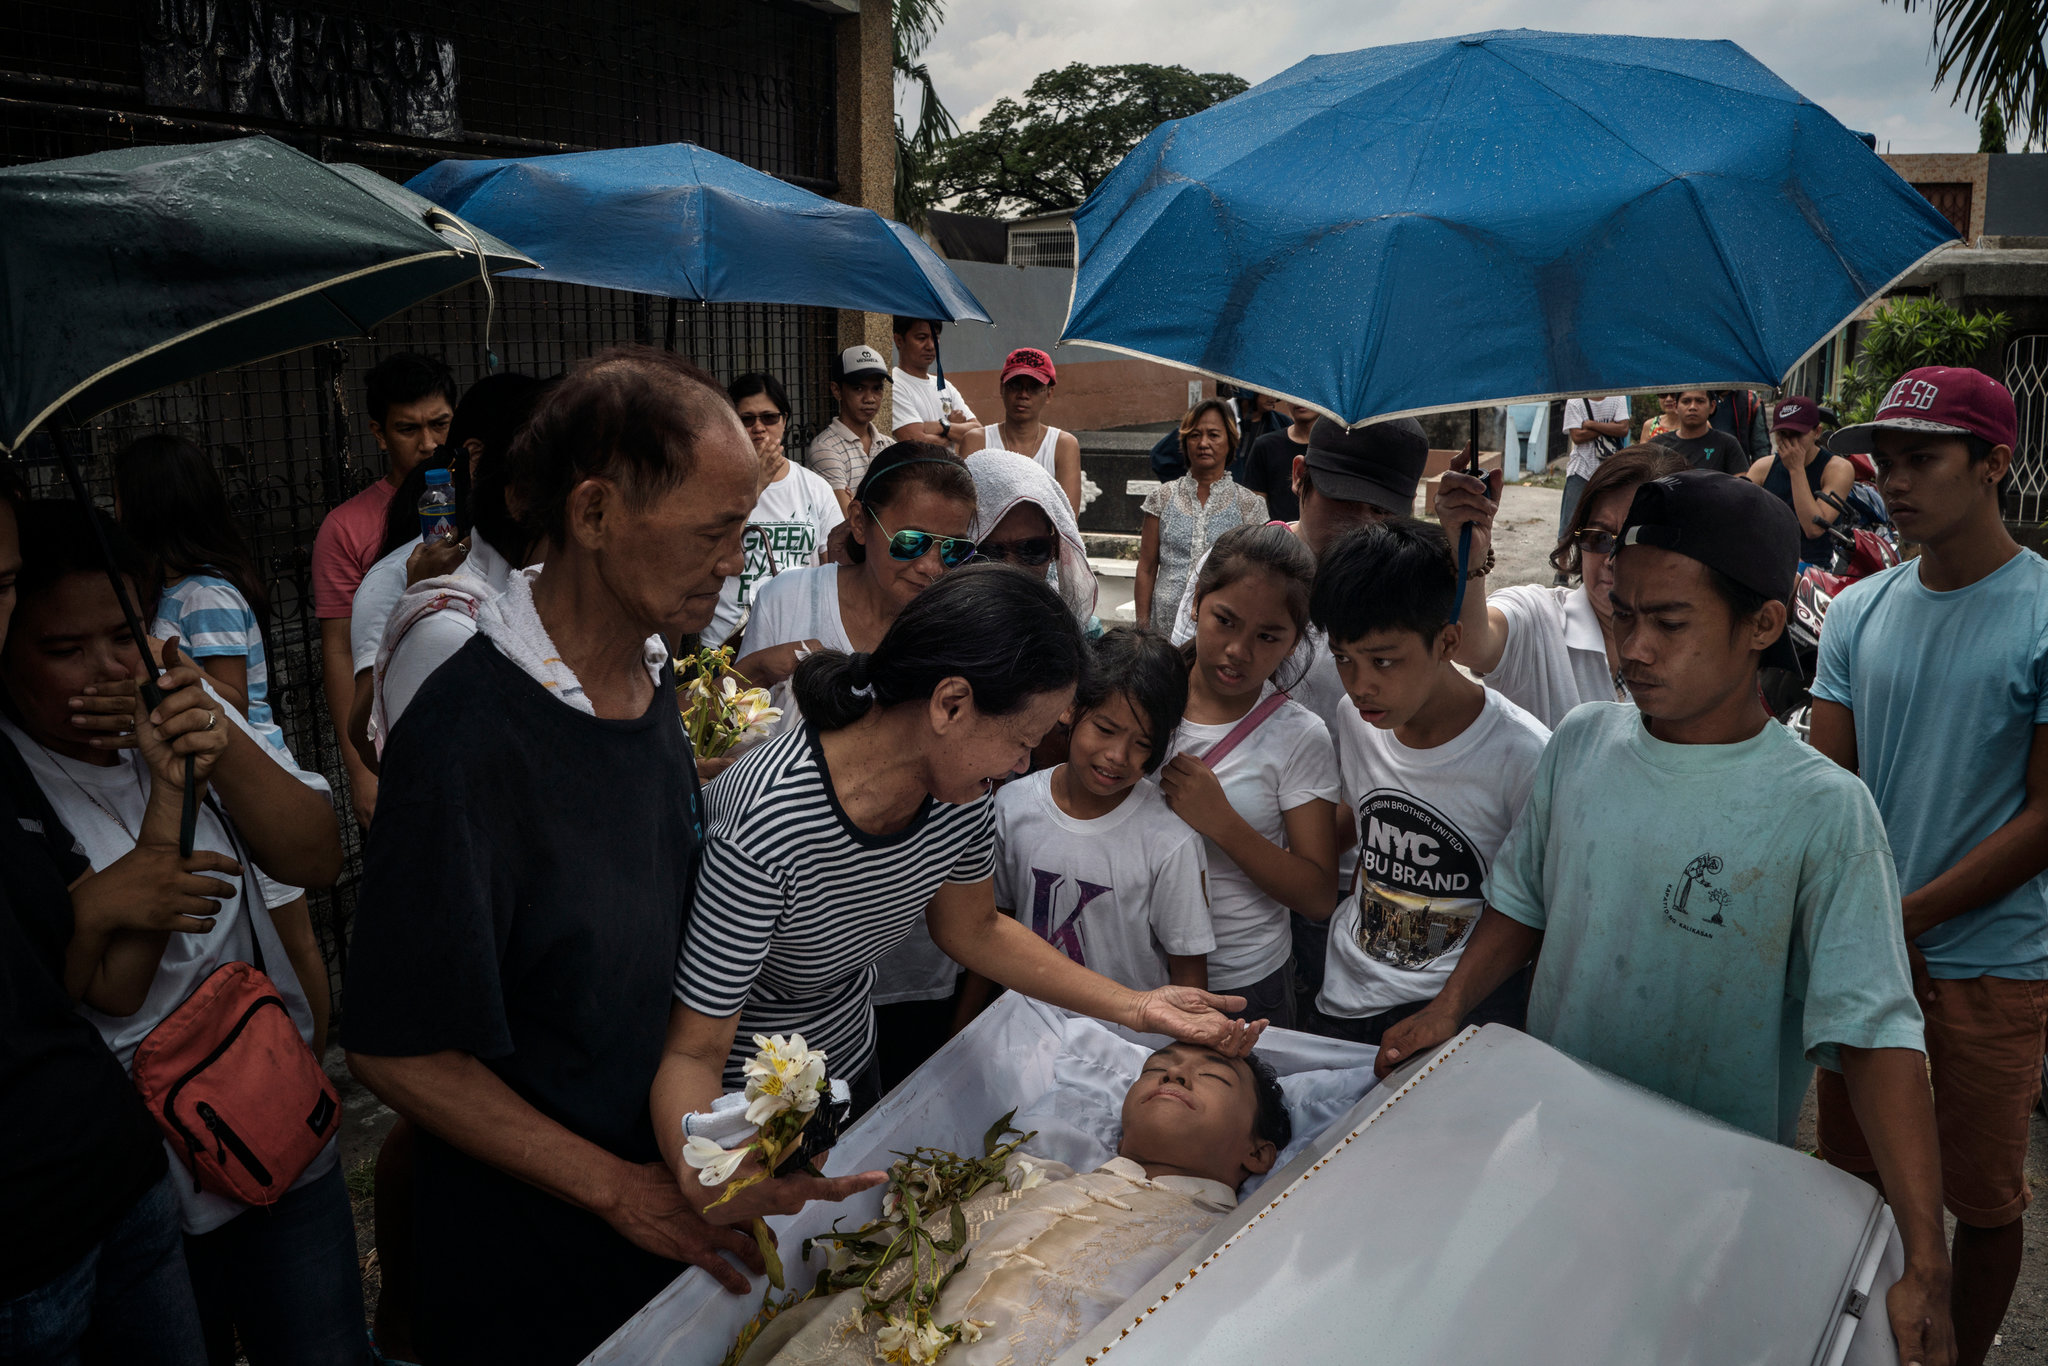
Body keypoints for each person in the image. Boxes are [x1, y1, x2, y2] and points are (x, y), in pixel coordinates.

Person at [1376, 470, 1955, 1366]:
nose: (1634, 649)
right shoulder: (1581, 745)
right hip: (1555, 1156)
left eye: (1670, 624)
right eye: (1623, 616)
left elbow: (1875, 1033)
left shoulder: (1822, 812)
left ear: (1762, 625)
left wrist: (1925, 1253)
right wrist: (1450, 1008)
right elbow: (1524, 901)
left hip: (1710, 1195)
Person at [342, 347, 780, 1366]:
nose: (733, 565)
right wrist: (615, 1189)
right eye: (714, 533)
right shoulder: (469, 730)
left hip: (655, 1205)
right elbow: (396, 1046)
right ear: (591, 517)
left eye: (742, 532)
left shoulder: (651, 672)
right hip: (527, 1251)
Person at [652, 568, 1261, 1198]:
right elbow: (692, 1053)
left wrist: (1139, 1005)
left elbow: (974, 926)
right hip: (743, 1111)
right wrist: (712, 1180)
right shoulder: (766, 824)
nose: (1023, 765)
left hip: (847, 1065)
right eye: (1023, 740)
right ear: (950, 704)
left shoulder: (961, 793)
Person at [1, 501, 357, 1366]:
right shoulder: (16, 779)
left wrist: (215, 745)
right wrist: (114, 889)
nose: (104, 670)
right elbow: (106, 981)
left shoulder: (183, 703)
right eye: (61, 651)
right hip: (148, 1167)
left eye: (122, 637)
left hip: (275, 1116)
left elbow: (316, 856)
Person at [1809, 367, 2048, 1366]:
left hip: (1990, 963)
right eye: (1887, 460)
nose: (1893, 481)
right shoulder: (1858, 610)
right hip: (1867, 961)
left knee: (1981, 1200)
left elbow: (2044, 818)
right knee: (1852, 1189)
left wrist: (1897, 919)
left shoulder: (2039, 611)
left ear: (1994, 462)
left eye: (1923, 459)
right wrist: (1864, 925)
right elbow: (1823, 793)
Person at [0, 482, 213, 1366]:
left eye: (1, 582)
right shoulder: (24, 757)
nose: (107, 669)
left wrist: (182, 774)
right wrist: (90, 911)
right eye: (62, 647)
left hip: (119, 1183)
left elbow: (107, 982)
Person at [744, 1046, 1291, 1366]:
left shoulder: (1233, 1246)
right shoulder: (1030, 1177)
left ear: (1258, 1152)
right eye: (1156, 1067)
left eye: (1214, 1077)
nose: (1174, 1074)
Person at [1167, 418, 1430, 1023]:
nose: (1363, 522)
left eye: (1382, 509)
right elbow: (1185, 679)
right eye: (1346, 500)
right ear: (1300, 478)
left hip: (1323, 871)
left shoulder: (1393, 603)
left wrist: (1267, 827)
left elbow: (1402, 746)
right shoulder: (1236, 564)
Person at [1305, 519, 1550, 1045]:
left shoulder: (1524, 754)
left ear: (1447, 642)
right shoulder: (1356, 718)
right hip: (1344, 994)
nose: (1360, 684)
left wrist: (1448, 1009)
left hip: (1455, 1008)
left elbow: (1529, 906)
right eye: (1344, 659)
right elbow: (1367, 826)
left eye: (1384, 661)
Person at [1157, 524, 1340, 1030]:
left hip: (1241, 985)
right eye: (1225, 621)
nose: (1238, 650)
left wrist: (1223, 823)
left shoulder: (1299, 737)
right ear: (1196, 603)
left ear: (1295, 642)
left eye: (1267, 636)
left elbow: (1319, 894)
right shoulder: (1143, 698)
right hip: (1133, 962)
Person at [991, 626, 1213, 991]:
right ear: (1071, 707)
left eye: (1142, 743)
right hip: (1025, 1031)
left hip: (1128, 1043)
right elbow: (994, 931)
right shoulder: (1012, 807)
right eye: (1106, 728)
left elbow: (1189, 973)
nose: (1117, 756)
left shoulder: (1172, 840)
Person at [360, 372, 550, 755]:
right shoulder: (416, 596)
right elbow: (373, 732)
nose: (428, 443)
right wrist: (417, 597)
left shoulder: (544, 579)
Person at [1437, 446, 1689, 729]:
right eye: (1599, 537)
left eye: (1635, 540)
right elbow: (1471, 643)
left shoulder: (1698, 648)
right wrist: (1470, 555)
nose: (1612, 558)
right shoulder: (1537, 618)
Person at [312, 352, 456, 831]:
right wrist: (359, 772)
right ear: (378, 432)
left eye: (440, 424)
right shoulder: (345, 528)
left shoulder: (476, 508)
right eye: (408, 429)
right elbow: (338, 649)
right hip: (394, 739)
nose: (430, 443)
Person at [737, 442, 978, 727]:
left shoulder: (959, 631)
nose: (932, 567)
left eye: (953, 549)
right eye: (911, 542)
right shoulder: (788, 599)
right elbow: (735, 730)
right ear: (860, 523)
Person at [111, 434, 286, 756]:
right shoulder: (166, 586)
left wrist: (174, 660)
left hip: (250, 771)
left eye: (119, 497)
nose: (116, 511)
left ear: (145, 506)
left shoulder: (207, 596)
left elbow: (236, 703)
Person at [706, 372, 843, 651]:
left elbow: (834, 566)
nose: (759, 428)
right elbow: (712, 552)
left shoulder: (815, 487)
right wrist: (756, 486)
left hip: (798, 636)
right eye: (747, 419)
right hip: (729, 643)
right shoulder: (713, 485)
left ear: (784, 420)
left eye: (769, 418)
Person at [1135, 400, 1265, 634]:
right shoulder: (1162, 498)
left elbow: (1256, 576)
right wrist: (1142, 630)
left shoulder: (1249, 505)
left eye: (1213, 435)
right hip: (1163, 630)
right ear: (1185, 442)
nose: (1204, 443)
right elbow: (1146, 567)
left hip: (1223, 630)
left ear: (1230, 441)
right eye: (1195, 435)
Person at [964, 447, 1099, 631]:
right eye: (989, 553)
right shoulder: (936, 631)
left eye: (1032, 549)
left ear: (1055, 548)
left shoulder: (1080, 632)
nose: (1012, 568)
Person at [965, 347, 1082, 513]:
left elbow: (1068, 517)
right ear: (1002, 389)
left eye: (1033, 388)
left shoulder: (1062, 446)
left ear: (1049, 394)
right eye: (1015, 386)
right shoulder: (976, 441)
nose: (1023, 395)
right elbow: (965, 507)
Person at [1747, 395, 1854, 567]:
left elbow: (1814, 529)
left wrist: (1796, 469)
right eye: (1783, 435)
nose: (1790, 443)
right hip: (1767, 562)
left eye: (1797, 435)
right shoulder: (1762, 468)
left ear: (1816, 432)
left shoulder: (1837, 468)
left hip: (1815, 565)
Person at [807, 345, 895, 515]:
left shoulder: (889, 446)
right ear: (836, 390)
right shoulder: (824, 449)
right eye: (858, 388)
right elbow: (849, 520)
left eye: (877, 388)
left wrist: (858, 502)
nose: (869, 399)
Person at [891, 317, 981, 454]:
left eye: (935, 338)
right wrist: (953, 431)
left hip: (948, 472)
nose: (931, 346)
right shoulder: (894, 384)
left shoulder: (945, 386)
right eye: (921, 338)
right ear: (899, 340)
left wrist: (943, 426)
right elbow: (916, 442)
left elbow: (978, 434)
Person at [1557, 393, 1631, 536]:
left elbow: (1623, 430)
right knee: (1568, 524)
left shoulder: (1617, 397)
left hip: (1610, 471)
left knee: (1608, 523)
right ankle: (1562, 558)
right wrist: (1610, 427)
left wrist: (1591, 424)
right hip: (1581, 469)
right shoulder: (1575, 401)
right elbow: (1577, 437)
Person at [1238, 400, 1315, 523]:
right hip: (1277, 538)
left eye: (1310, 390)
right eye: (1295, 390)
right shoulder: (1265, 446)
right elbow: (1253, 512)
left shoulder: (1338, 447)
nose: (1301, 399)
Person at [1649, 390, 1743, 473]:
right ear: (1675, 407)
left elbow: (1741, 485)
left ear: (1712, 406)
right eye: (1686, 401)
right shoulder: (1657, 445)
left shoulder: (1727, 444)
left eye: (1700, 401)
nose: (1692, 407)